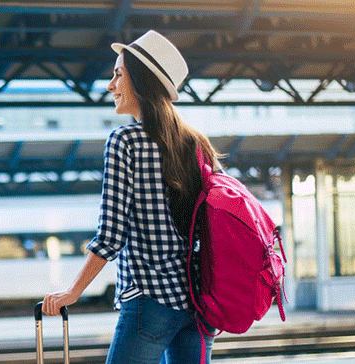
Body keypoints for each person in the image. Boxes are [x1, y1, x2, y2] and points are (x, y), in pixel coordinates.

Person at [41, 30, 222, 364]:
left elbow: (111, 234)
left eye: (118, 74)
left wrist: (73, 292)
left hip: (150, 302)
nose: (111, 84)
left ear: (142, 81)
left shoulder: (125, 141)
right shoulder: (197, 144)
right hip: (198, 304)